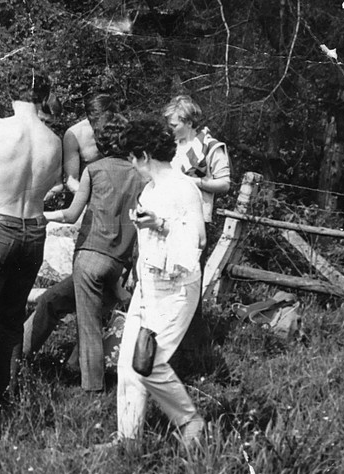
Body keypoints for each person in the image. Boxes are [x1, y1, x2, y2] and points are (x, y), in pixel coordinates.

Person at [102, 116, 206, 451]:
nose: (132, 166)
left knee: (150, 363)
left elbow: (199, 239)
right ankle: (128, 440)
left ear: (144, 156)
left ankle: (190, 421)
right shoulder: (149, 190)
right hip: (147, 287)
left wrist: (160, 223)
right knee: (128, 365)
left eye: (133, 158)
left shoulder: (184, 188)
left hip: (177, 289)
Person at [0, 69, 63, 413]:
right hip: (34, 229)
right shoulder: (54, 140)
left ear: (11, 94)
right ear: (42, 98)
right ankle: (8, 394)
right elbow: (51, 184)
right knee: (12, 317)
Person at [43, 113, 144, 392]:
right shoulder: (140, 176)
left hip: (89, 256)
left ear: (101, 142)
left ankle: (92, 388)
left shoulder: (95, 170)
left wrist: (40, 215)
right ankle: (25, 353)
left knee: (88, 325)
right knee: (52, 300)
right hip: (118, 263)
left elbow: (71, 214)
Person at [163, 95, 231, 350]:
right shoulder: (170, 147)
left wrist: (196, 182)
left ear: (189, 122)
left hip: (195, 223)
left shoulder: (210, 147)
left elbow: (224, 183)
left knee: (188, 285)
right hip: (168, 221)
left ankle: (194, 347)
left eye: (174, 124)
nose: (170, 129)